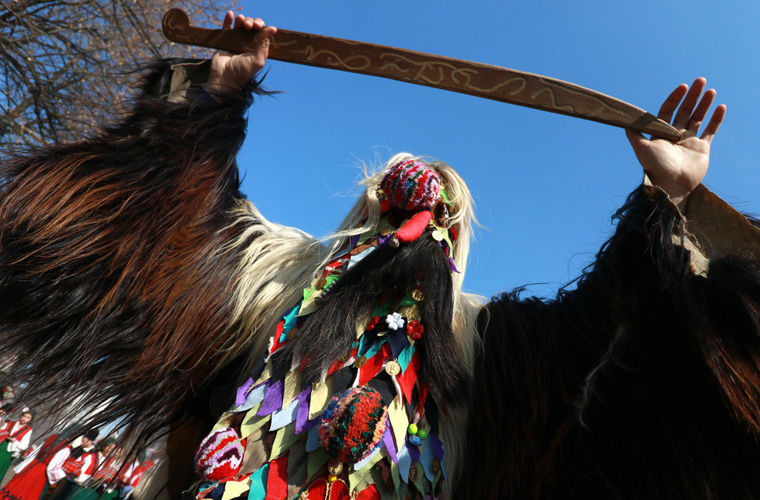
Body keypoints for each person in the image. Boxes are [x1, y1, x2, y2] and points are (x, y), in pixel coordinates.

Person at [0, 10, 759, 500]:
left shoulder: (490, 347)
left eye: (442, 211)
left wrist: (663, 201)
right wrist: (217, 96)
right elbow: (155, 233)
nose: (421, 213)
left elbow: (617, 335)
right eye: (397, 202)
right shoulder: (276, 275)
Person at [0, 433, 68, 500]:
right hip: (41, 473)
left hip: (32, 465)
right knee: (27, 493)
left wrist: (22, 466)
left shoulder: (51, 438)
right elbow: (52, 467)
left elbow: (35, 452)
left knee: (16, 488)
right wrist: (60, 476)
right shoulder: (66, 448)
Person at [0, 408, 33, 483]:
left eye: (28, 417)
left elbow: (24, 446)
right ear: (21, 415)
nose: (25, 419)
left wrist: (14, 441)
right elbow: (1, 430)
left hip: (8, 450)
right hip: (1, 444)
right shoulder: (11, 422)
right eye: (24, 416)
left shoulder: (28, 430)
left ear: (30, 420)